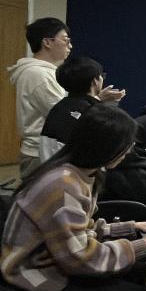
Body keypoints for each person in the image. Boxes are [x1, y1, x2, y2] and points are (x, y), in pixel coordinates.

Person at [1, 104, 146, 291]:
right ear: (104, 146)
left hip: (58, 265)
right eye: (126, 146)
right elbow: (81, 259)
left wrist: (133, 227)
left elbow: (81, 232)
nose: (128, 151)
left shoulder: (80, 172)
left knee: (143, 275)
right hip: (38, 284)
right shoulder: (63, 185)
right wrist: (143, 244)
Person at [9, 19, 121, 178]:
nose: (70, 46)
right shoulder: (38, 74)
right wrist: (96, 98)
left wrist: (96, 98)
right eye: (66, 40)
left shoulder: (46, 72)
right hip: (41, 151)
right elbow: (64, 114)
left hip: (49, 147)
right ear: (47, 42)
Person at [39, 56, 114, 161]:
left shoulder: (59, 106)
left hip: (49, 166)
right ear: (95, 81)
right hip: (72, 168)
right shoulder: (93, 114)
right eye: (102, 76)